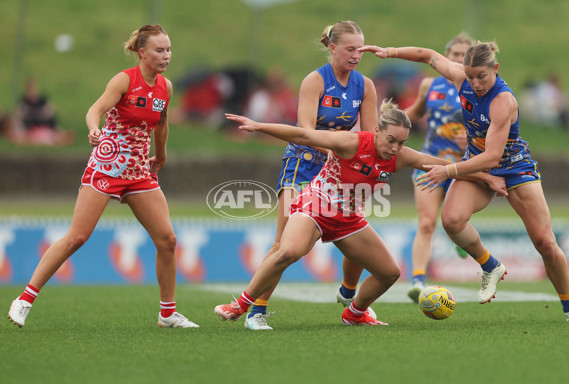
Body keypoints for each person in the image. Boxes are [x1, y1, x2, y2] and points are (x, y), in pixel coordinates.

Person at [214, 100, 506, 326]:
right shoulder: (351, 142)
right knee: (289, 251)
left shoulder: (401, 157)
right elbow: (303, 134)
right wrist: (258, 125)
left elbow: (442, 166)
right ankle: (239, 305)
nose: (396, 148)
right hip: (316, 206)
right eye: (391, 139)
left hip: (349, 219)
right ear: (377, 131)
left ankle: (354, 314)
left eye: (402, 142)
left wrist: (486, 178)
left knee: (389, 273)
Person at [359, 41, 569, 323]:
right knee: (452, 220)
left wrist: (448, 171)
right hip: (477, 162)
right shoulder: (462, 79)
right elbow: (429, 56)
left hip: (514, 169)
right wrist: (390, 52)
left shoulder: (503, 101)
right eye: (470, 76)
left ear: (495, 68)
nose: (476, 83)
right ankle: (491, 266)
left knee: (544, 241)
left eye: (481, 76)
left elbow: (493, 156)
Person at [7, 24, 198, 329]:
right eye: (160, 50)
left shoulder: (166, 87)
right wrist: (93, 129)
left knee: (167, 240)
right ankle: (24, 300)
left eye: (169, 49)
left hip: (138, 171)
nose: (166, 56)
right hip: (107, 166)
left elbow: (161, 125)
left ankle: (167, 314)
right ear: (142, 52)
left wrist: (160, 156)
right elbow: (95, 109)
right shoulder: (124, 80)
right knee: (77, 237)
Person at [243, 21, 379, 330]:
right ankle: (256, 311)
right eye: (350, 49)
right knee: (284, 244)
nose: (356, 55)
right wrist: (332, 147)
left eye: (360, 49)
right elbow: (304, 131)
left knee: (356, 233)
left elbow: (369, 135)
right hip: (303, 164)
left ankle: (349, 295)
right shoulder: (315, 81)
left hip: (338, 172)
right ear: (333, 48)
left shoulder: (365, 86)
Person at [402, 33, 473, 303]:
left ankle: (460, 237)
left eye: (465, 55)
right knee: (427, 222)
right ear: (445, 56)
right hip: (429, 161)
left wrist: (477, 137)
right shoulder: (429, 86)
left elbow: (498, 128)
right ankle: (418, 280)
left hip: (463, 167)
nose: (459, 60)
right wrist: (386, 122)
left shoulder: (477, 89)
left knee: (456, 220)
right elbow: (415, 113)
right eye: (454, 54)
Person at [9, 77, 74, 146]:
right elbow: (18, 115)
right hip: (30, 128)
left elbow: (50, 111)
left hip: (44, 126)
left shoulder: (42, 101)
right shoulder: (24, 102)